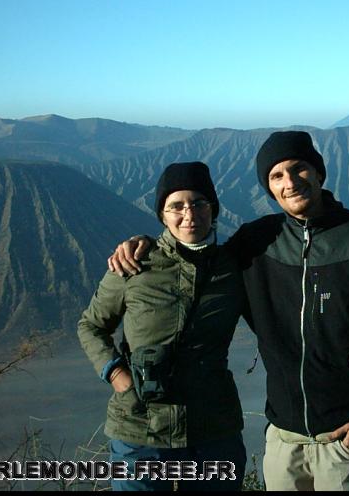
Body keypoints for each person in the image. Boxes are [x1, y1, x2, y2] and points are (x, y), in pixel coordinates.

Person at [110, 131, 349, 491]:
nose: (290, 182)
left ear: (319, 173)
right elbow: (196, 255)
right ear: (268, 186)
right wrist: (148, 245)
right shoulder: (257, 241)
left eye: (299, 169)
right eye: (277, 176)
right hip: (284, 442)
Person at [78, 162, 247, 491]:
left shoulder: (237, 266)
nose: (189, 214)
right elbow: (91, 325)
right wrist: (116, 374)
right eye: (176, 206)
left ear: (213, 209)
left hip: (213, 427)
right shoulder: (134, 264)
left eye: (199, 203)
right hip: (140, 428)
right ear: (162, 215)